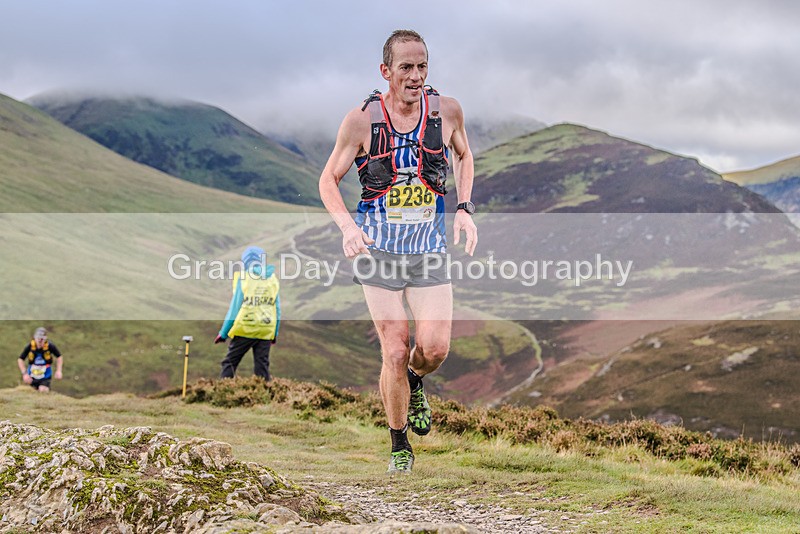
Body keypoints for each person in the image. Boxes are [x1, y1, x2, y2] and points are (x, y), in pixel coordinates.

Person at [319, 29, 477, 473]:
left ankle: (414, 379)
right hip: (378, 252)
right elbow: (327, 180)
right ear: (386, 71)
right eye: (405, 67)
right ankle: (399, 443)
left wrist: (463, 208)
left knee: (435, 348)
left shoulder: (446, 112)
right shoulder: (361, 122)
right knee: (393, 348)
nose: (415, 75)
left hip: (428, 249)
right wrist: (348, 227)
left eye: (422, 66)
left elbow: (465, 156)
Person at [215, 246, 281, 380]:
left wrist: (223, 333)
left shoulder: (244, 279)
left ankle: (223, 393)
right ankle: (266, 397)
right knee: (262, 367)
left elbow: (235, 308)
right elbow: (277, 310)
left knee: (230, 363)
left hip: (246, 328)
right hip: (265, 330)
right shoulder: (272, 279)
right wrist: (274, 333)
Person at [18, 327, 63, 392]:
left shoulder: (50, 346)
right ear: (35, 338)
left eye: (42, 339)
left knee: (43, 390)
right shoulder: (30, 346)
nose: (40, 342)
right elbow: (20, 359)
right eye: (38, 339)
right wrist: (24, 374)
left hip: (45, 375)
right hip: (32, 375)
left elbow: (59, 356)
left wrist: (59, 370)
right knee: (30, 391)